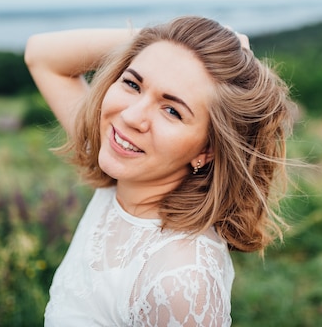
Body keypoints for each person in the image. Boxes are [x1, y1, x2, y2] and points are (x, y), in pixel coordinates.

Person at [25, 16, 294, 326]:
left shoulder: (180, 281)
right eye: (132, 83)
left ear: (207, 149)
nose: (130, 116)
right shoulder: (124, 171)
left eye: (172, 110)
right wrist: (160, 41)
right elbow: (40, 55)